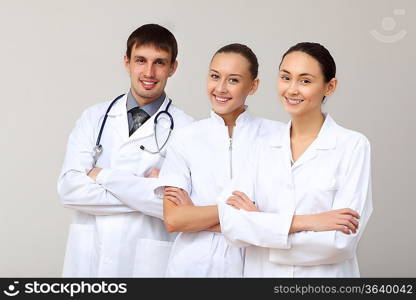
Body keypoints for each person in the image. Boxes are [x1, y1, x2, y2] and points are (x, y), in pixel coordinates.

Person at [218, 42, 373, 277]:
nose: (291, 89)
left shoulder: (352, 146)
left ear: (329, 87)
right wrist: (307, 222)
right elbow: (232, 225)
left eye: (305, 81)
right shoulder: (261, 145)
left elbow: (340, 242)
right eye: (285, 77)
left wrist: (260, 225)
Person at [57, 24, 193, 277]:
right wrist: (145, 189)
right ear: (127, 62)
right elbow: (68, 190)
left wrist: (102, 176)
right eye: (140, 60)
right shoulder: (93, 118)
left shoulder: (187, 130)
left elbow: (177, 208)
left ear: (173, 67)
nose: (149, 72)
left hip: (146, 264)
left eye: (159, 62)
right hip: (89, 258)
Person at [154, 43, 286, 277]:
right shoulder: (186, 138)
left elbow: (283, 219)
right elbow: (174, 219)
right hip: (193, 266)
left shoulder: (278, 136)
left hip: (256, 265)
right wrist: (249, 218)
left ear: (253, 85)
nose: (221, 88)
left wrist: (196, 214)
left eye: (233, 80)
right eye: (215, 76)